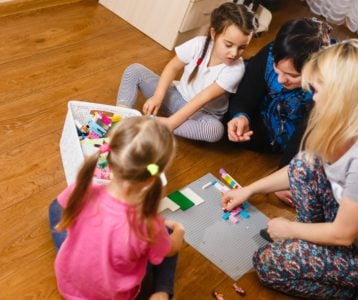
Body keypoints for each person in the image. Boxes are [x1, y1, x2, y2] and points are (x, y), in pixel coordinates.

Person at [222, 39, 358, 299]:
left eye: (318, 90)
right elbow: (300, 168)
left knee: (267, 264)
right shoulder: (349, 119)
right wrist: (249, 190)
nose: (313, 96)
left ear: (340, 94)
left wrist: (290, 230)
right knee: (302, 165)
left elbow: (343, 235)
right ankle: (311, 247)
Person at [49, 117, 185, 300]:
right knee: (167, 238)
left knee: (54, 208)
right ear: (154, 176)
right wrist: (178, 233)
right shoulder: (150, 225)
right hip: (114, 296)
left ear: (110, 160)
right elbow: (171, 249)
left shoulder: (80, 190)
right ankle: (161, 292)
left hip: (69, 287)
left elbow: (63, 209)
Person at [116, 2, 258, 143]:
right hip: (177, 97)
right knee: (134, 70)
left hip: (201, 114)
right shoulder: (198, 44)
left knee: (215, 131)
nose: (234, 53)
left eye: (242, 48)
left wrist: (171, 123)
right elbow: (172, 67)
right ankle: (121, 115)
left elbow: (202, 99)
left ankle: (154, 124)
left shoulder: (236, 69)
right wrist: (158, 97)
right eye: (228, 45)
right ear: (214, 34)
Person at [226, 18, 332, 206]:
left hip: (301, 140)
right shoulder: (270, 53)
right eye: (277, 69)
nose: (281, 79)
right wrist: (240, 115)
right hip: (269, 122)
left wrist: (284, 177)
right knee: (226, 124)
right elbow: (247, 92)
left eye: (292, 75)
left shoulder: (327, 84)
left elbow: (307, 137)